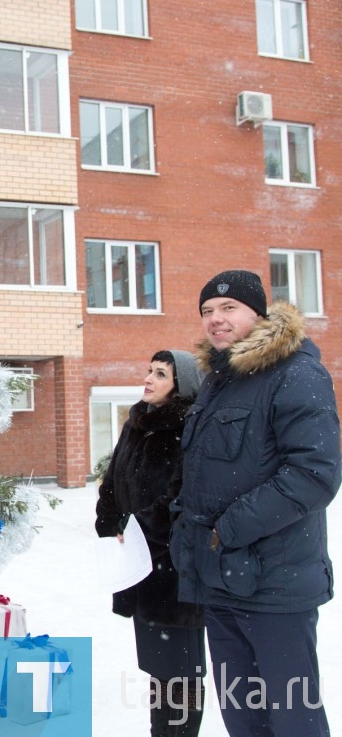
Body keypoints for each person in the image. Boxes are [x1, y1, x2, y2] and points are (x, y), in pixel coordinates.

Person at [171, 270, 341, 737]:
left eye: (228, 309)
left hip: (276, 587)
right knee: (242, 718)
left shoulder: (298, 374)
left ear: (259, 315)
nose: (215, 320)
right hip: (222, 580)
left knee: (292, 719)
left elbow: (314, 475)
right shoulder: (219, 381)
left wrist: (229, 528)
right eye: (207, 311)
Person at [96, 350, 206, 736]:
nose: (149, 378)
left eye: (160, 374)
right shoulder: (137, 422)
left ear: (181, 386)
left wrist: (141, 526)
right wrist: (109, 520)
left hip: (174, 572)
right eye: (149, 370)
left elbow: (183, 496)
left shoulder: (190, 428)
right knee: (159, 670)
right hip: (139, 567)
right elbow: (112, 480)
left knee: (182, 676)